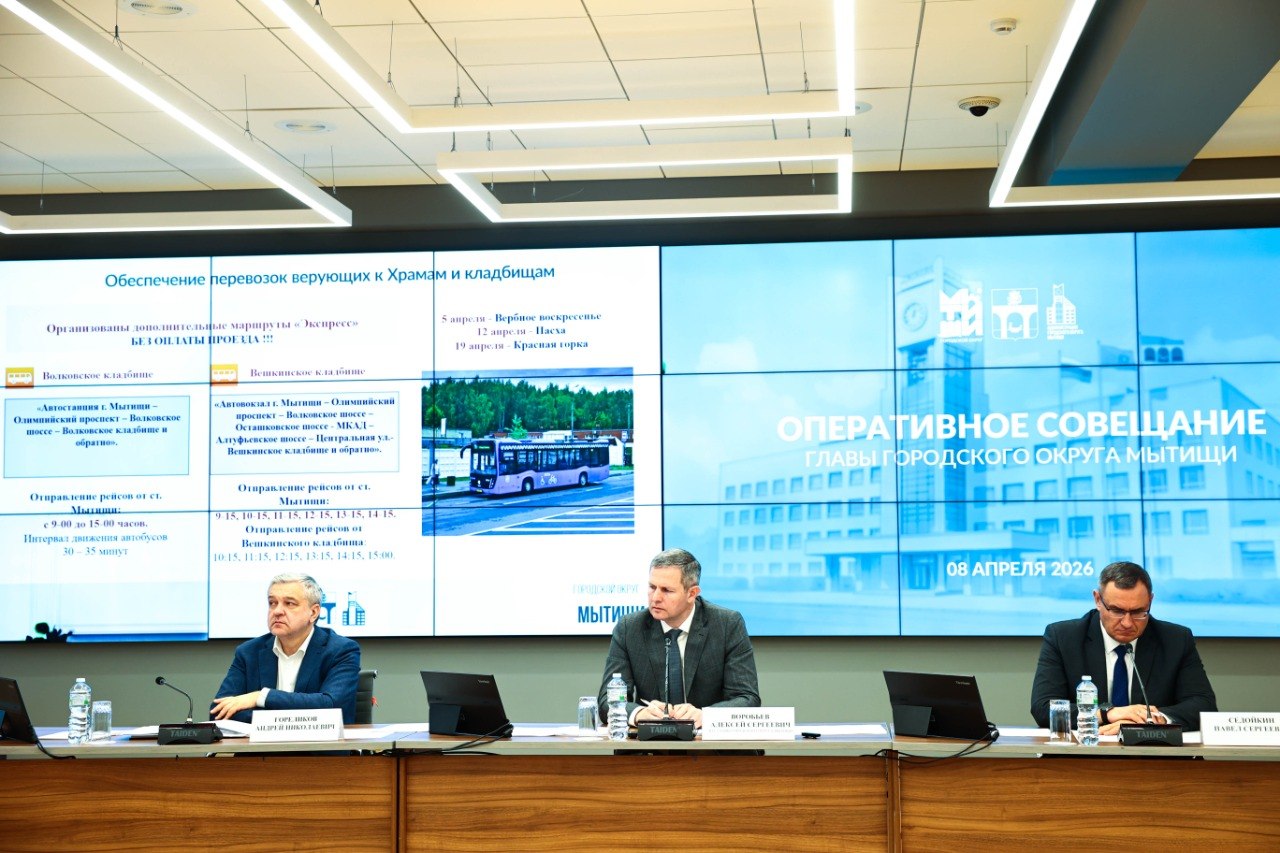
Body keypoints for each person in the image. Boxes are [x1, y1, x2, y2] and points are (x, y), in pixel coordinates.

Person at [1030, 561, 1216, 733]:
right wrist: (1108, 714)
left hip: (1152, 752)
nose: (1127, 623)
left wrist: (1147, 720)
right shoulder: (1064, 637)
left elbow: (1203, 705)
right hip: (1085, 751)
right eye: (1117, 611)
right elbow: (1043, 707)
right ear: (1097, 600)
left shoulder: (1176, 640)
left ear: (1150, 601)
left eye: (1138, 612)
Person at [598, 548, 760, 728]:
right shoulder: (630, 628)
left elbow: (748, 698)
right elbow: (606, 701)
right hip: (651, 742)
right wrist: (639, 714)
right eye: (652, 587)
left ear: (692, 593)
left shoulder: (727, 624)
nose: (655, 598)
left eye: (667, 590)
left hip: (708, 742)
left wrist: (706, 715)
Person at [211, 572, 361, 724]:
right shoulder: (248, 652)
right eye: (272, 603)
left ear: (313, 612)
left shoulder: (341, 650)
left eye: (289, 603)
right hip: (264, 741)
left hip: (318, 741)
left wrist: (261, 697)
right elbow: (218, 711)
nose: (277, 611)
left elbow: (331, 706)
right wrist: (280, 720)